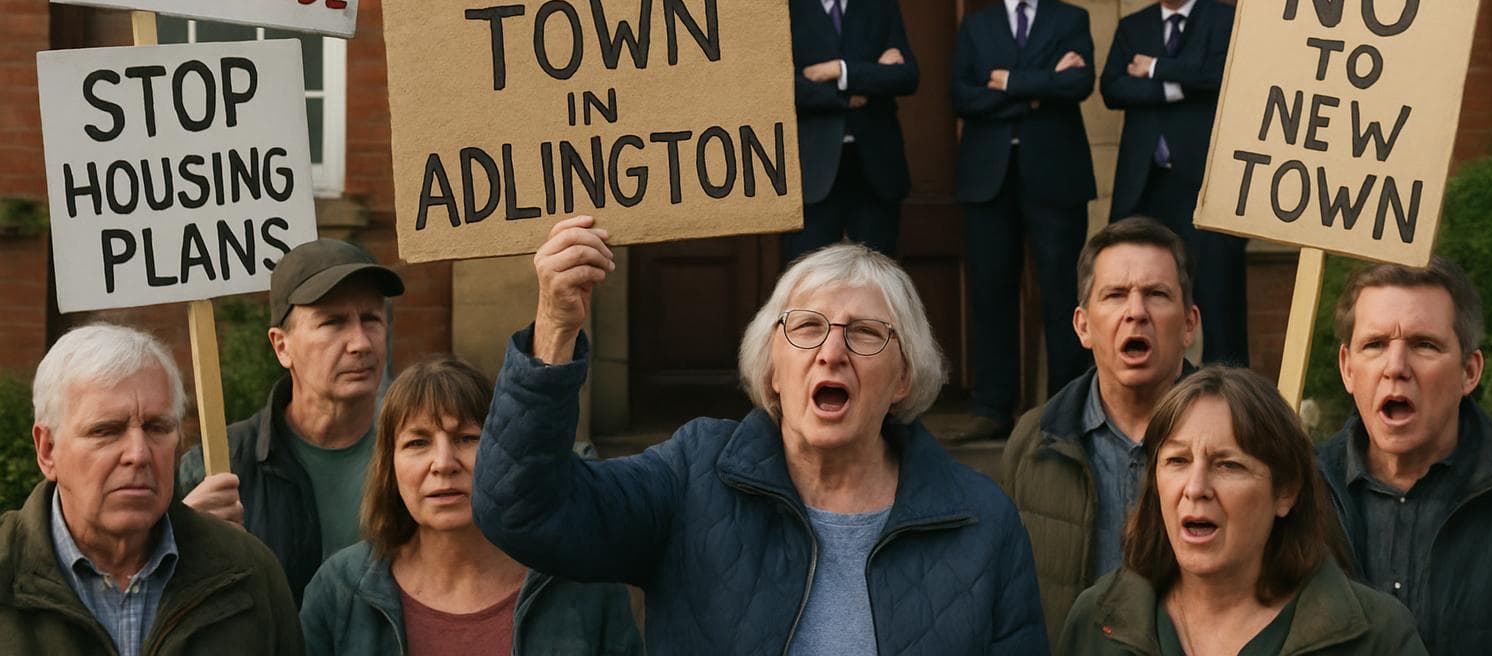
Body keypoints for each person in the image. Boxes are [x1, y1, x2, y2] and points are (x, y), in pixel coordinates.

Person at [473, 215, 1048, 654]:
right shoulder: (692, 476)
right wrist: (554, 327)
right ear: (772, 367)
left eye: (867, 334)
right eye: (807, 328)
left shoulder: (982, 521)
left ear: (903, 378)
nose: (832, 352)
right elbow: (521, 511)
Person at [1060, 365, 1428, 655]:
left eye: (1228, 465)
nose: (1196, 488)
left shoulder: (1376, 638)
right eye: (1177, 461)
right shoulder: (1097, 623)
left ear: (1286, 492)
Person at [301, 355, 641, 655]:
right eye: (418, 442)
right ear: (389, 467)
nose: (443, 463)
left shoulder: (585, 585)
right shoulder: (340, 590)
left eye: (466, 438)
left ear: (501, 453)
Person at [0, 323, 301, 654]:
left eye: (157, 427)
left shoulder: (249, 573)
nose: (139, 454)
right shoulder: (8, 569)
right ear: (47, 450)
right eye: (106, 431)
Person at [1317, 258, 1492, 655]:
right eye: (1375, 345)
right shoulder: (1295, 497)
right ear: (1347, 368)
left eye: (1424, 345)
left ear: (1470, 371)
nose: (1396, 367)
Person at [1000, 216, 1198, 648]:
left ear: (1189, 324)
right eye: (1115, 295)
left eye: (1157, 294)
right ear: (1083, 325)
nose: (1136, 312)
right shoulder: (1035, 441)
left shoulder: (1238, 440)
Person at [179, 237, 405, 604]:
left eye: (371, 319)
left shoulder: (420, 452)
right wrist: (179, 541)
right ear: (281, 346)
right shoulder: (221, 466)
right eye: (333, 323)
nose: (360, 343)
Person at [949, 0, 1096, 441]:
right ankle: (992, 406)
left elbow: (1079, 82)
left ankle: (1067, 409)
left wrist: (1007, 81)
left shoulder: (1070, 18)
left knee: (1062, 292)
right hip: (988, 178)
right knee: (991, 290)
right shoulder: (975, 27)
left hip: (1055, 175)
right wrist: (1039, 87)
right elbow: (962, 96)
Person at [1101, 0, 1249, 366]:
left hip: (1207, 183)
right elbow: (1112, 89)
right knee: (1136, 297)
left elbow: (1225, 77)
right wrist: (1178, 82)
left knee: (1219, 301)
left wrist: (1154, 69)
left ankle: (1231, 405)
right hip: (1143, 187)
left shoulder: (1226, 19)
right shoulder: (1133, 27)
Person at [784, 0, 918, 262]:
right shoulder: (786, 7)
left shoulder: (881, 7)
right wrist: (852, 94)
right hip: (811, 168)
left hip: (875, 166)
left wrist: (839, 70)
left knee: (880, 276)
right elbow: (782, 87)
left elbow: (906, 76)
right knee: (808, 277)